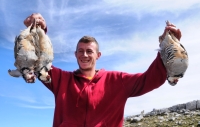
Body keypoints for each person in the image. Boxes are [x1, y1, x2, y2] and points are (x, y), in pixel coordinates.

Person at [24, 13, 182, 127]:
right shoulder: (61, 80)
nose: (84, 55)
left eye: (89, 51)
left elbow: (149, 79)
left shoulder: (117, 80)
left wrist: (167, 47)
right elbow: (38, 62)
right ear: (75, 54)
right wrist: (37, 30)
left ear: (98, 55)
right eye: (80, 51)